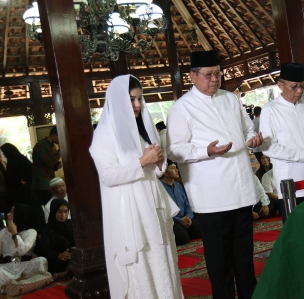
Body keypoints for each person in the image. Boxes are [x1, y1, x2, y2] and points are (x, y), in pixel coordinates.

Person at [166, 50, 263, 299]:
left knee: (244, 254)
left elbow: (248, 128)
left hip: (241, 189)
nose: (214, 79)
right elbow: (174, 149)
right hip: (212, 196)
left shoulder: (230, 99)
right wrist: (205, 151)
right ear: (193, 76)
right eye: (208, 75)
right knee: (220, 261)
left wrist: (253, 138)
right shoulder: (182, 107)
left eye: (218, 74)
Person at [89, 75, 183, 299]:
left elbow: (157, 171)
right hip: (131, 213)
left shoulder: (141, 130)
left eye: (139, 99)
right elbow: (108, 176)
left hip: (154, 206)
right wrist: (142, 161)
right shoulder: (104, 136)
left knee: (163, 262)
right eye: (131, 100)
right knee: (142, 267)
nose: (138, 105)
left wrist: (159, 162)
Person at [259, 63, 304, 222]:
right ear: (280, 85)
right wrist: (303, 155)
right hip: (292, 183)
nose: (299, 91)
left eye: (302, 86)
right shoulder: (270, 110)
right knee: (297, 232)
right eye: (294, 86)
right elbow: (268, 147)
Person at [0, 203, 47, 287]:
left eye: (12, 212)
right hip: (7, 269)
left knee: (41, 260)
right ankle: (23, 284)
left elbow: (22, 251)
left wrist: (14, 233)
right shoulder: (3, 232)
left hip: (24, 267)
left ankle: (15, 285)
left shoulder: (31, 232)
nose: (8, 214)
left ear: (21, 215)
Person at [160, 161, 201, 246]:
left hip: (184, 218)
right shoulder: (160, 188)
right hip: (171, 221)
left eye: (176, 168)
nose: (177, 170)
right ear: (165, 173)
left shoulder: (178, 186)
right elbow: (163, 211)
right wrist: (179, 220)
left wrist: (188, 217)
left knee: (201, 230)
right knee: (183, 238)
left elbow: (186, 204)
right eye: (173, 168)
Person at [37, 198, 73, 278]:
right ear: (53, 211)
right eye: (59, 212)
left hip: (73, 257)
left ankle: (69, 271)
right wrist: (59, 255)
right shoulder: (47, 229)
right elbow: (45, 249)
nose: (63, 215)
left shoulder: (72, 224)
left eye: (66, 211)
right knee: (62, 240)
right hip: (56, 261)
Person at [32, 127, 62, 206]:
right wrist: (60, 151)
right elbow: (49, 162)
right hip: (41, 184)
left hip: (49, 182)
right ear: (54, 136)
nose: (61, 140)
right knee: (48, 206)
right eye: (60, 137)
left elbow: (51, 163)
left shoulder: (52, 146)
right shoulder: (41, 146)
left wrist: (56, 166)